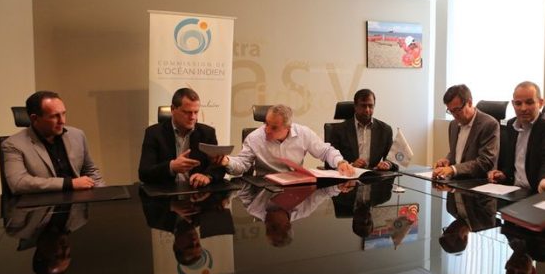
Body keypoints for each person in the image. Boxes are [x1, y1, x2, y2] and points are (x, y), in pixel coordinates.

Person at [2, 91, 105, 194]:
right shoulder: (13, 144)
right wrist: (69, 183)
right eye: (54, 116)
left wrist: (102, 195)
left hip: (78, 201)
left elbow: (91, 171)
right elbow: (18, 183)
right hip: (43, 202)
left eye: (63, 114)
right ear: (34, 118)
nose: (62, 121)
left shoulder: (77, 135)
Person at [218, 104, 355, 177]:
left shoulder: (303, 133)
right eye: (266, 123)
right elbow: (242, 164)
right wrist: (227, 161)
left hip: (294, 186)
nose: (267, 130)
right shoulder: (254, 138)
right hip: (265, 186)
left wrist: (340, 162)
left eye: (274, 127)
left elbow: (325, 151)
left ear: (288, 128)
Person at [488, 81, 545, 193]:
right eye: (518, 103)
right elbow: (513, 163)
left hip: (540, 191)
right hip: (515, 192)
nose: (523, 108)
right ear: (513, 104)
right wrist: (503, 174)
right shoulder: (511, 125)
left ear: (540, 103)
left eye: (529, 102)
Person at [139, 88, 225, 187]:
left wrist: (207, 176)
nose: (193, 117)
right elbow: (144, 173)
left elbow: (219, 166)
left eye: (196, 112)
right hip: (166, 192)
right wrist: (171, 167)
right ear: (173, 109)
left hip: (197, 191)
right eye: (187, 112)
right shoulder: (154, 133)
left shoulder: (207, 133)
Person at [433, 84, 500, 179]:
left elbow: (485, 161)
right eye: (451, 111)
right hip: (456, 180)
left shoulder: (489, 124)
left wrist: (453, 169)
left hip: (477, 182)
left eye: (457, 110)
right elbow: (455, 153)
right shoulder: (453, 125)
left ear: (469, 102)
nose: (454, 115)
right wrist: (447, 160)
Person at [328, 89, 395, 171]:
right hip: (349, 175)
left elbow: (392, 159)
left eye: (370, 106)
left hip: (374, 175)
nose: (367, 110)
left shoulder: (385, 130)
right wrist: (351, 165)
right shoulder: (339, 130)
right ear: (355, 106)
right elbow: (330, 159)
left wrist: (387, 164)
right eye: (363, 106)